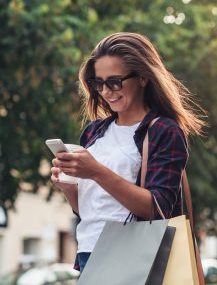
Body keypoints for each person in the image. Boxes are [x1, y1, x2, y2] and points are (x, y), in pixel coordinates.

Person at [49, 32, 205, 272]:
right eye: (98, 83)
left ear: (142, 78)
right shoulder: (94, 132)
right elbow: (95, 208)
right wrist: (70, 189)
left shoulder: (163, 131)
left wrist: (97, 172)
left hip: (135, 255)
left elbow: (158, 208)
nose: (107, 91)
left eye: (115, 81)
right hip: (90, 250)